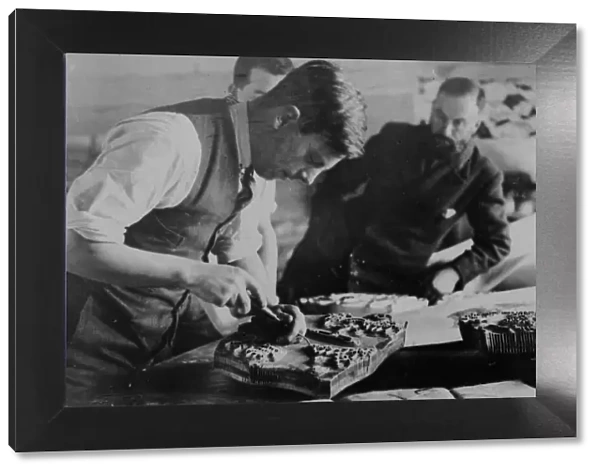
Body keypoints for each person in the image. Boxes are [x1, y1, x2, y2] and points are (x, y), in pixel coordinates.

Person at [65, 59, 367, 400]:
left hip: (158, 345)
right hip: (87, 354)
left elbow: (235, 245)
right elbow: (73, 247)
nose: (308, 179)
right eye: (312, 159)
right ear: (284, 118)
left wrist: (269, 306)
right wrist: (194, 274)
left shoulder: (251, 158)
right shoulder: (169, 140)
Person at [280, 77, 511, 305]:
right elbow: (336, 181)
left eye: (458, 123)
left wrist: (455, 273)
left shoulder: (483, 175)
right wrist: (322, 231)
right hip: (329, 259)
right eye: (440, 116)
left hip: (389, 282)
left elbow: (496, 243)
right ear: (432, 109)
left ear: (476, 125)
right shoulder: (395, 138)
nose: (446, 130)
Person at [226, 57, 295, 297]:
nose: (269, 111)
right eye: (259, 97)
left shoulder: (266, 148)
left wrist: (272, 294)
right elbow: (231, 248)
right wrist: (266, 303)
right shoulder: (222, 148)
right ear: (235, 92)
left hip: (246, 279)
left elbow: (264, 227)